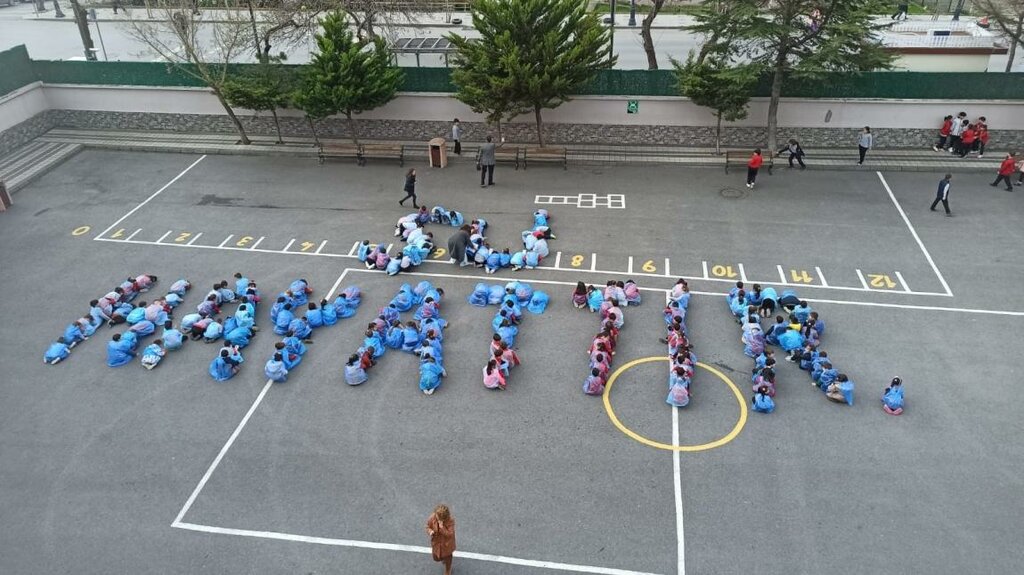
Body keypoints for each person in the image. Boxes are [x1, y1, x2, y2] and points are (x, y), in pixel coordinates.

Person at [426, 504, 456, 575]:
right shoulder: (433, 517)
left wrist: (442, 528)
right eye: (436, 515)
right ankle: (443, 559)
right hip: (436, 543)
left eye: (438, 517)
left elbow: (450, 534)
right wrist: (430, 531)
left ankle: (448, 570)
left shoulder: (450, 521)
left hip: (446, 545)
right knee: (436, 558)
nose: (436, 518)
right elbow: (427, 526)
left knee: (448, 558)